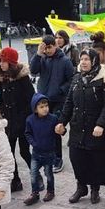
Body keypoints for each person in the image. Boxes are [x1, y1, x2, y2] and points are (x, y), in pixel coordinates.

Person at [56, 48, 105, 204]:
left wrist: (101, 125)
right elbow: (69, 103)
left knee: (95, 160)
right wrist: (61, 122)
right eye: (81, 59)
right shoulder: (77, 78)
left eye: (86, 59)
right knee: (77, 158)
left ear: (94, 61)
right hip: (78, 126)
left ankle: (94, 189)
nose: (83, 62)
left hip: (95, 128)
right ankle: (81, 187)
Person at [29, 35, 74, 173]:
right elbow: (33, 70)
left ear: (55, 46)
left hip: (58, 100)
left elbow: (71, 79)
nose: (47, 50)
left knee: (55, 129)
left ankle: (58, 158)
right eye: (45, 48)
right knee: (43, 129)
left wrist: (61, 90)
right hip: (43, 99)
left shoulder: (65, 61)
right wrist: (38, 54)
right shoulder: (41, 59)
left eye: (49, 47)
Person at [0, 47, 35, 192]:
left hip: (22, 121)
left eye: (4, 61)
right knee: (9, 153)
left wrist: (28, 118)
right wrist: (1, 112)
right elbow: (0, 98)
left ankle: (36, 176)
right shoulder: (2, 77)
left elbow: (31, 98)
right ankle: (15, 180)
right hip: (8, 122)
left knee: (25, 151)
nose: (1, 64)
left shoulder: (22, 78)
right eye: (0, 61)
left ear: (11, 63)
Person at [24, 93, 59, 205]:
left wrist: (61, 130)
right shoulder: (30, 120)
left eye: (46, 106)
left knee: (49, 174)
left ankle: (50, 191)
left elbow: (59, 133)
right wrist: (34, 143)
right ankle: (35, 193)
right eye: (41, 107)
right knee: (33, 173)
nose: (45, 109)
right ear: (35, 109)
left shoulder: (53, 119)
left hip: (49, 153)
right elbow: (27, 133)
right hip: (36, 154)